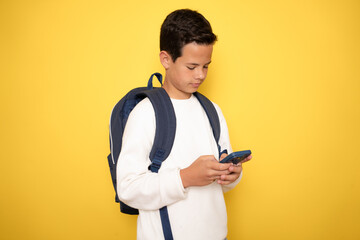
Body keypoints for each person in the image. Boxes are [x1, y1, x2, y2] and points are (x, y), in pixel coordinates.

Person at [117, 9, 252, 240]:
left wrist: (231, 175)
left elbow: (221, 185)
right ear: (166, 59)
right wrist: (185, 177)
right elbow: (128, 189)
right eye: (191, 67)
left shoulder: (212, 111)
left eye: (206, 66)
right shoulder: (145, 114)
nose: (200, 75)